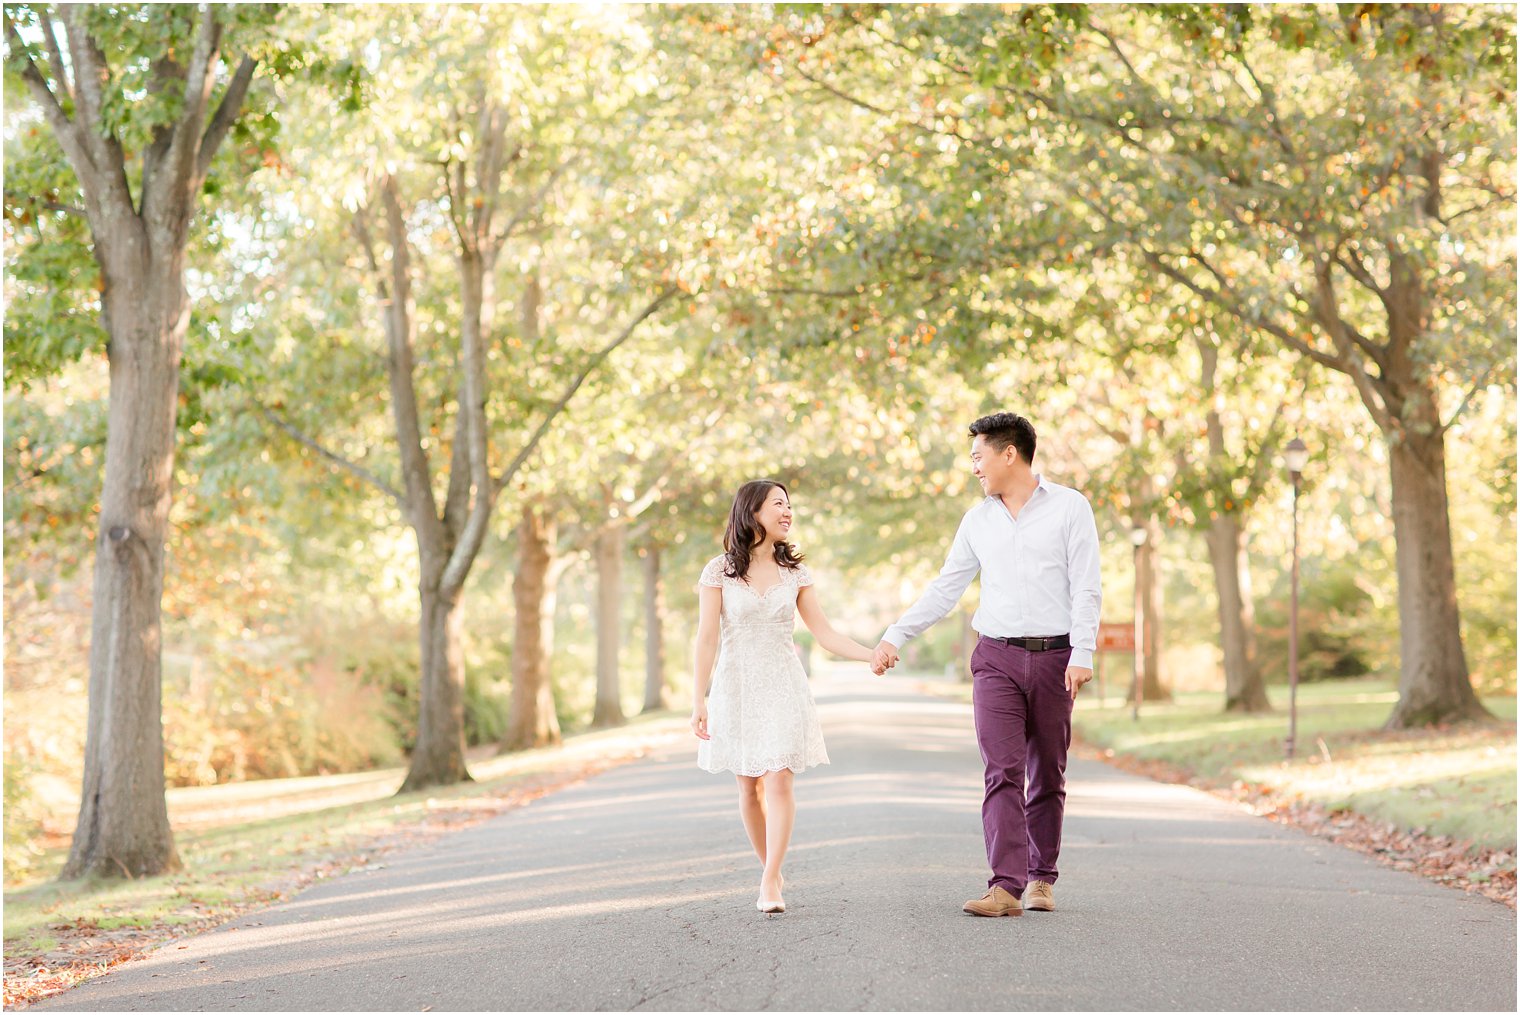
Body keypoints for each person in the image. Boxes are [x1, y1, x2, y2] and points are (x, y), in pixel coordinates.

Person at [872, 412, 1101, 918]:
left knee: (1048, 772)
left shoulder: (1069, 508)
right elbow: (945, 587)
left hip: (1055, 657)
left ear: (1008, 453)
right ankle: (1005, 886)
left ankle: (1042, 877)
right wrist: (895, 635)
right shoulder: (977, 520)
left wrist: (1082, 651)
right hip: (995, 656)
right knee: (1002, 770)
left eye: (978, 456)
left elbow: (1086, 585)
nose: (973, 466)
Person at [691, 479, 875, 914]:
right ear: (752, 511)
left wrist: (872, 656)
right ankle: (769, 868)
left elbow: (826, 634)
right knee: (747, 786)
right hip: (735, 685)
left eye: (790, 505)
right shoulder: (718, 571)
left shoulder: (796, 574)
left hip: (782, 684)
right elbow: (705, 639)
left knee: (779, 777)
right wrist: (698, 698)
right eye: (778, 504)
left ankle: (770, 879)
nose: (787, 511)